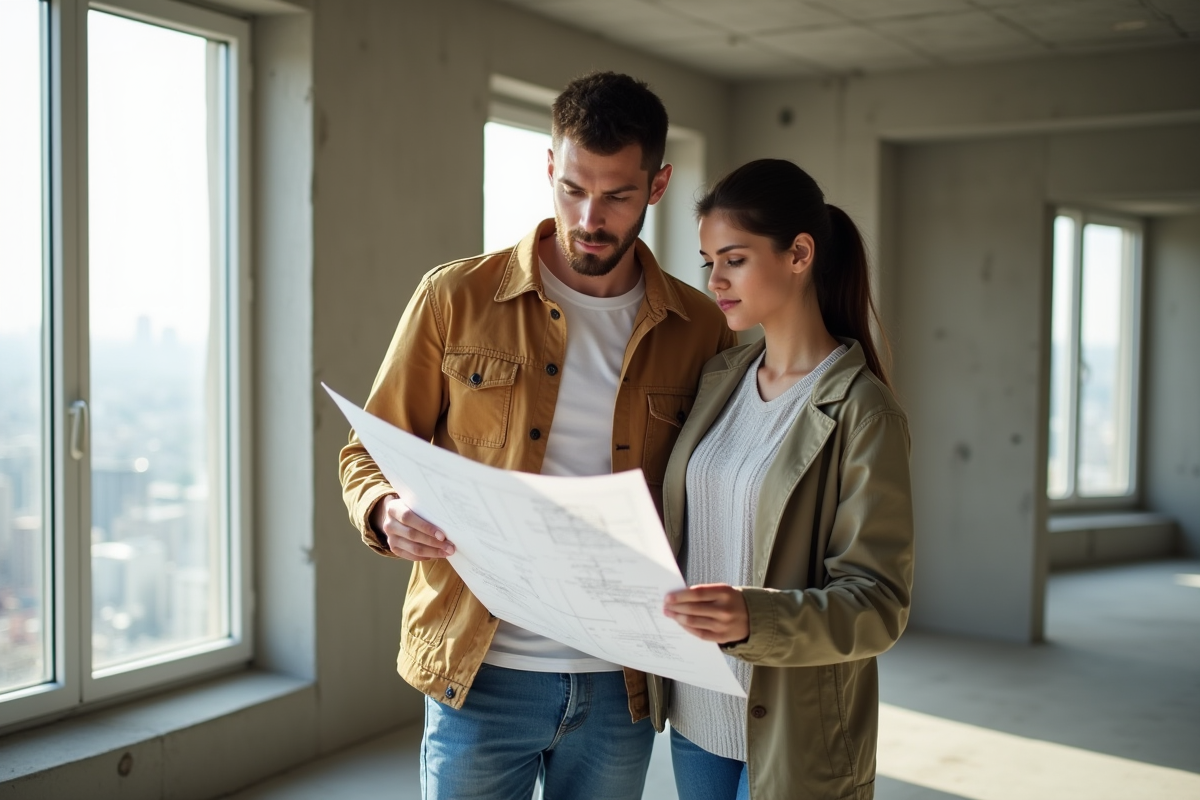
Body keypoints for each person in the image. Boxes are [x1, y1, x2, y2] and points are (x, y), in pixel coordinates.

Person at [338, 71, 736, 800]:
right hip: (481, 674)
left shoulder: (699, 326)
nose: (590, 216)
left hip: (622, 684)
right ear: (550, 167)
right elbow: (369, 449)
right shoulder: (455, 298)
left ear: (658, 185)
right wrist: (384, 509)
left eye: (617, 195)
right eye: (573, 187)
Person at [658, 159, 915, 800]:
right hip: (696, 716)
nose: (714, 280)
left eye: (734, 259)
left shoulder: (864, 410)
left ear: (799, 253)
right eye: (707, 261)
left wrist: (754, 617)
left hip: (794, 735)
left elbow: (879, 606)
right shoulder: (719, 380)